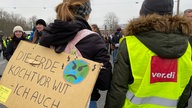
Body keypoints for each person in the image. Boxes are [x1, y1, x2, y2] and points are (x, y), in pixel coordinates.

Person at [105, 0, 192, 108]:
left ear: (143, 15)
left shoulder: (130, 44)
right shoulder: (186, 46)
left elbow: (118, 88)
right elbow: (186, 88)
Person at [39, 0, 112, 108]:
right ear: (87, 14)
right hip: (83, 101)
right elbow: (104, 82)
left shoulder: (47, 35)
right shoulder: (93, 39)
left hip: (49, 100)